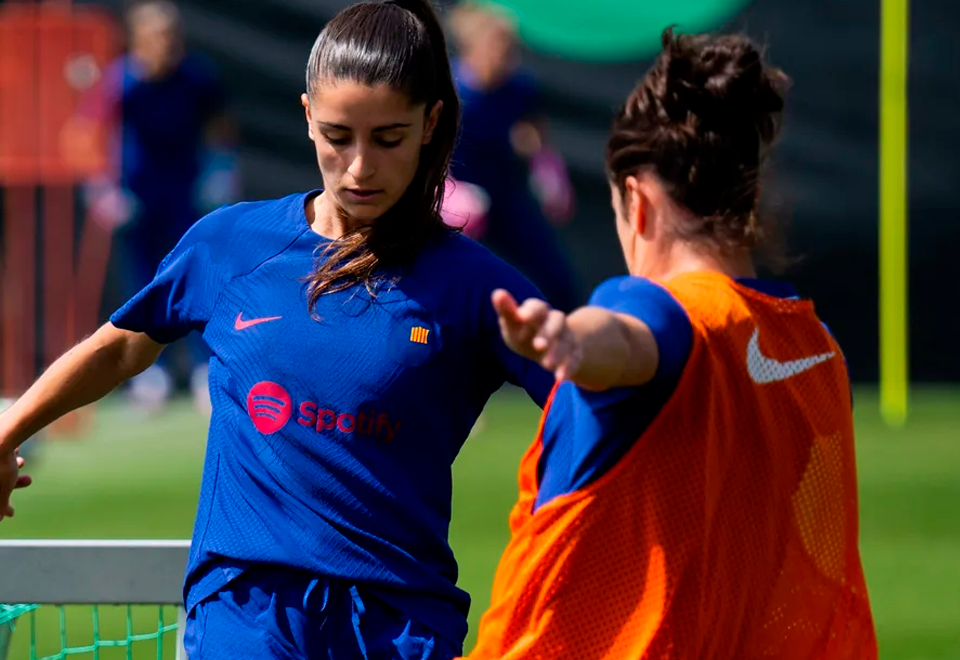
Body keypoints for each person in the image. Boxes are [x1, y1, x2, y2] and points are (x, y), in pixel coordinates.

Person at [0, 1, 554, 658]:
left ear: (431, 123)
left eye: (388, 138)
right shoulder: (231, 243)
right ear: (306, 117)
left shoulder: (476, 288)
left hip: (399, 625)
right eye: (337, 136)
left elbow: (597, 407)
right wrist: (6, 434)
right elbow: (119, 347)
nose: (359, 168)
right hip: (244, 614)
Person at [464, 28, 878, 660]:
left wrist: (573, 338)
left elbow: (635, 338)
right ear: (752, 195)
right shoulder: (815, 347)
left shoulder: (656, 309)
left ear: (638, 201)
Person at [81, 0, 239, 414]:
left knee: (200, 278)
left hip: (187, 195)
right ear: (137, 41)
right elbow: (88, 133)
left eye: (171, 37)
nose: (165, 46)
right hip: (137, 198)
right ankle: (153, 375)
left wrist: (221, 170)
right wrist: (102, 189)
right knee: (146, 284)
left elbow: (220, 126)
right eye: (156, 38)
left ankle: (207, 370)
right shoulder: (121, 82)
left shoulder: (197, 77)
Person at [447, 2, 580, 312]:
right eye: (498, 45)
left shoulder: (520, 88)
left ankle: (567, 333)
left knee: (554, 273)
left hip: (503, 193)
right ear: (473, 46)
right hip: (454, 199)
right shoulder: (448, 89)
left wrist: (549, 174)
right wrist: (449, 193)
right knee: (458, 275)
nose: (506, 54)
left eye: (510, 46)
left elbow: (533, 133)